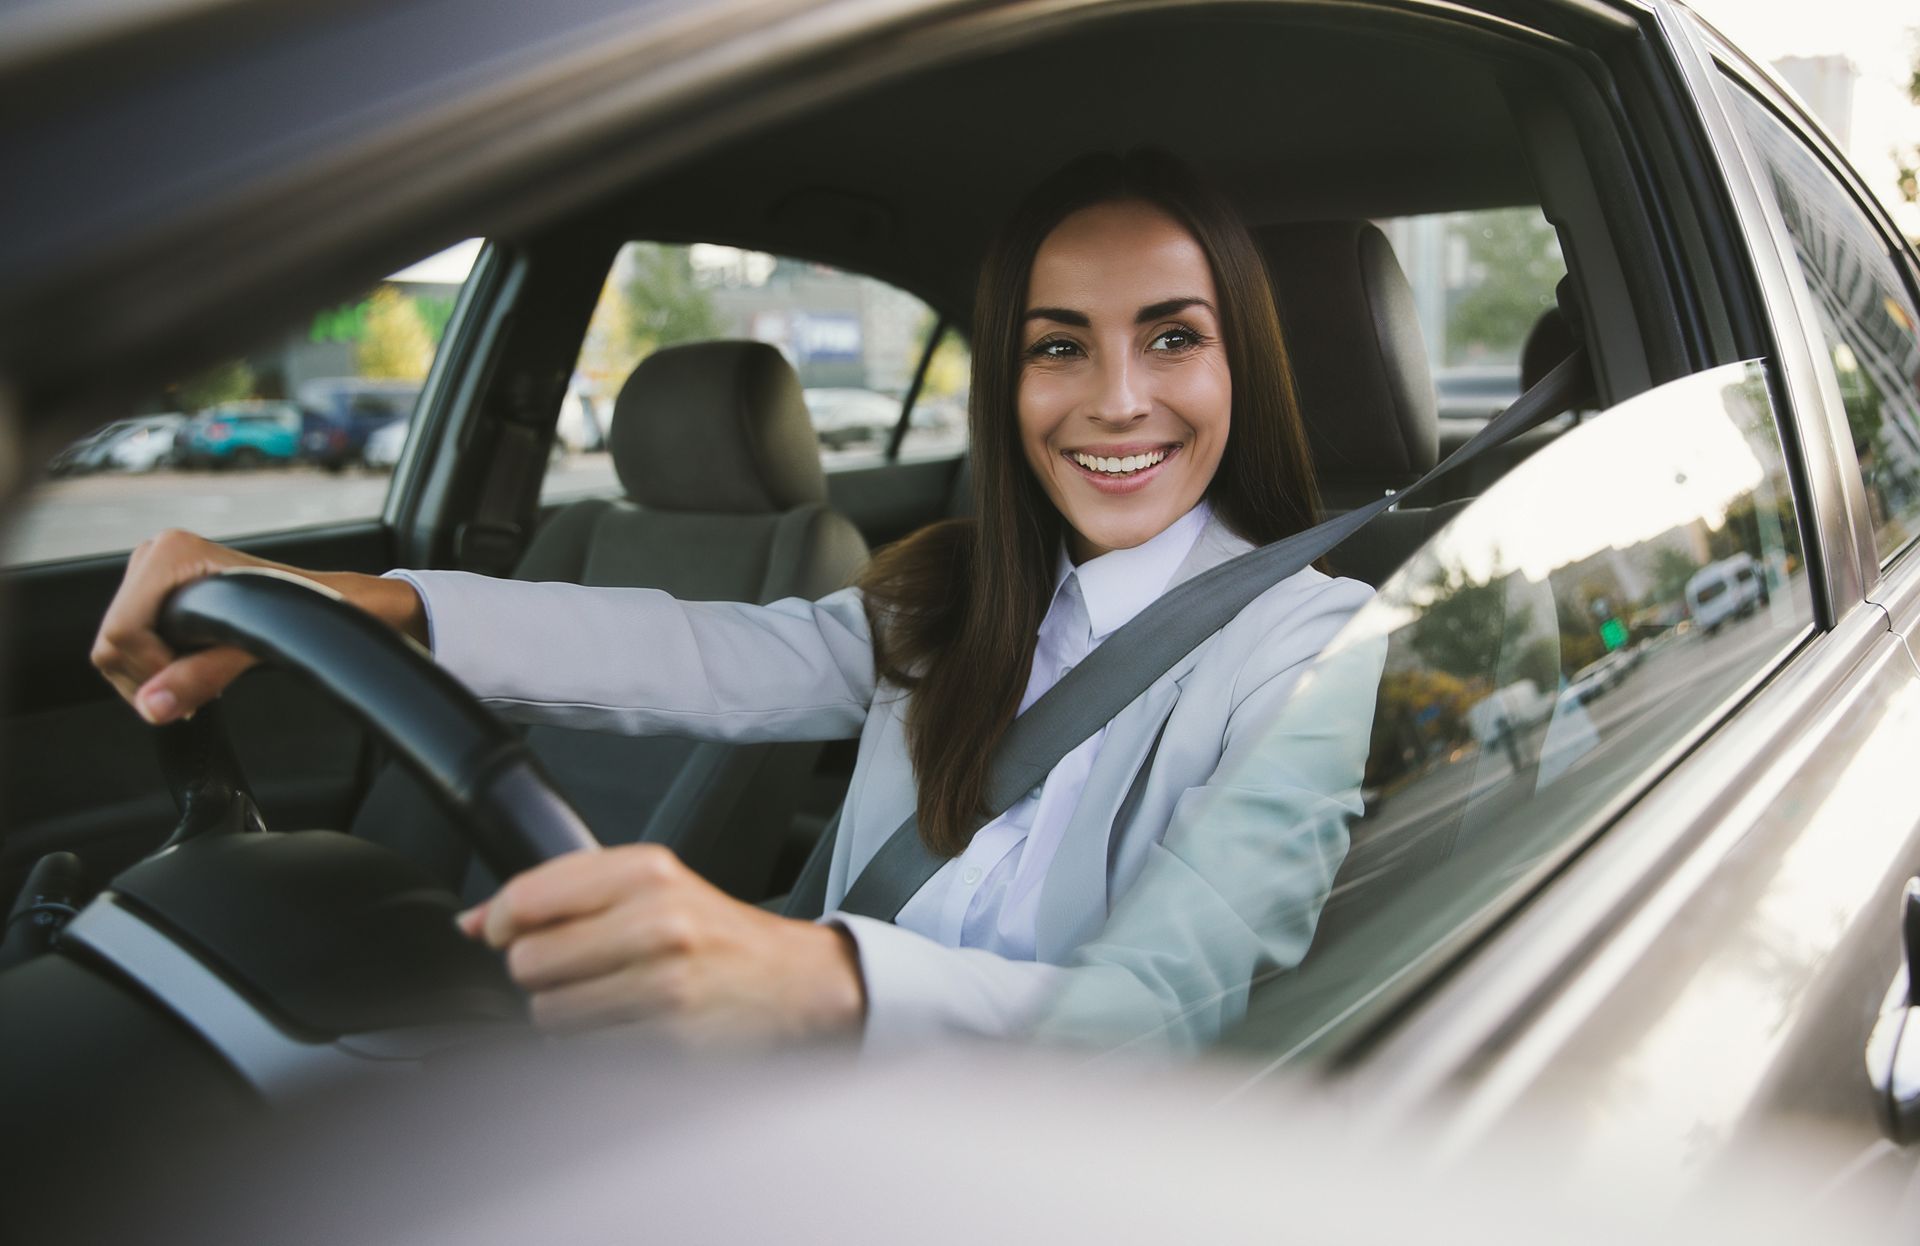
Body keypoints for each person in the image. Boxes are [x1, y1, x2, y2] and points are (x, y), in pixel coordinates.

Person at [91, 151, 1376, 1055]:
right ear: (1008, 379)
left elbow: (1173, 1005)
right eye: (1058, 345)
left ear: (1241, 362)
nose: (1114, 399)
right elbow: (690, 654)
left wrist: (814, 978)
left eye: (1171, 336)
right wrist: (349, 600)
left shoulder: (1309, 650)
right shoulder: (954, 597)